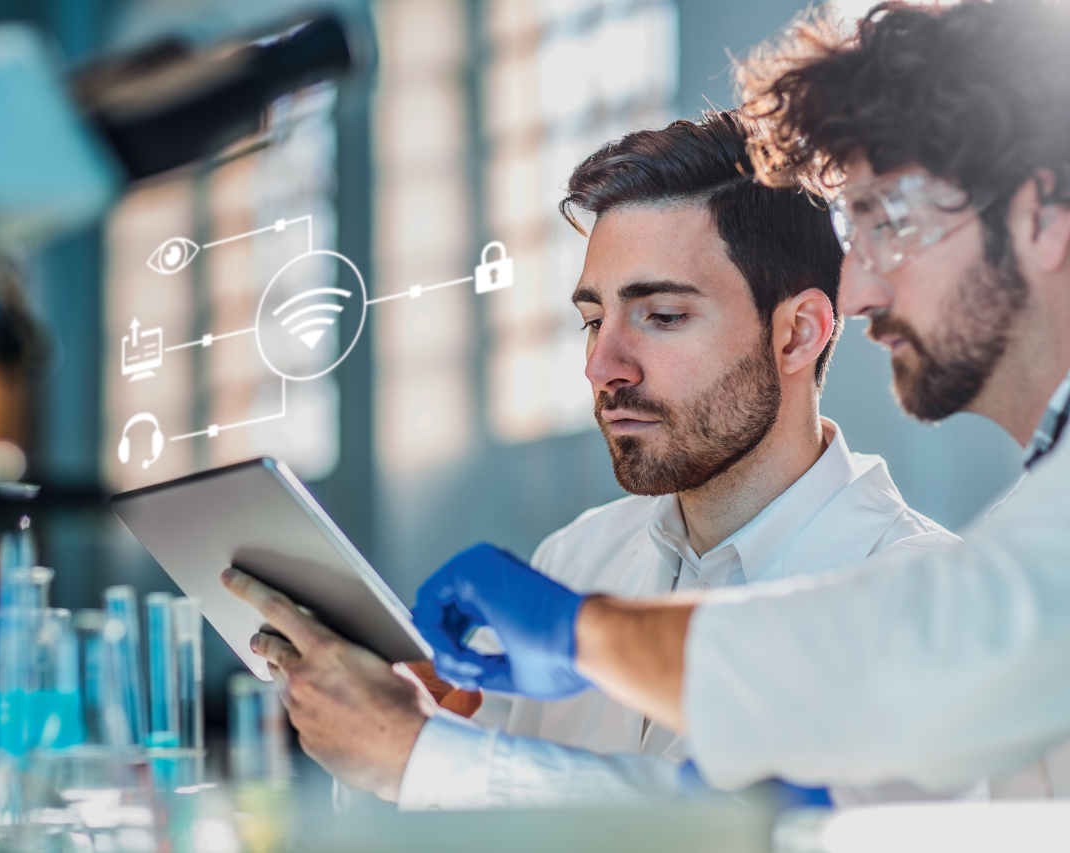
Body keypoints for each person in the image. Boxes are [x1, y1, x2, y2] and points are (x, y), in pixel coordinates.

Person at [408, 0, 1070, 798]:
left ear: (1041, 218)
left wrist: (575, 638)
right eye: (593, 319)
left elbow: (914, 652)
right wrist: (433, 733)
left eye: (889, 222)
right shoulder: (577, 557)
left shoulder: (940, 573)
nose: (857, 289)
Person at [221, 109, 961, 807]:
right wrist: (409, 732)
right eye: (593, 319)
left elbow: (801, 832)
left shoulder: (932, 604)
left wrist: (424, 759)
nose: (603, 365)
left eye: (662, 316)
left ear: (798, 334)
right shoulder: (574, 559)